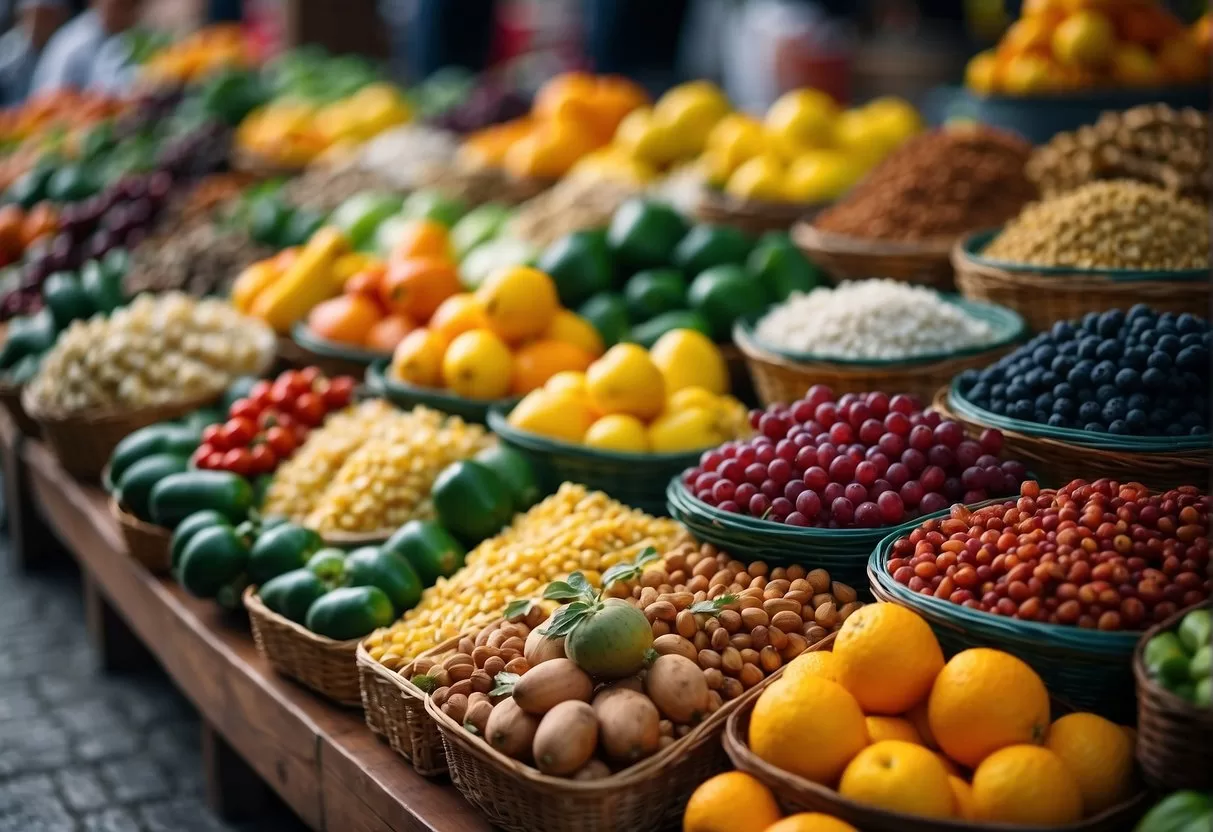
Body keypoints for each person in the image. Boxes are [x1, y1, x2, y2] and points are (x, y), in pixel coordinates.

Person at [29, 0, 144, 95]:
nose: (129, 13)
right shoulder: (78, 44)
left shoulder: (118, 37)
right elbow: (53, 101)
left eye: (132, 5)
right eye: (122, 5)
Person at [0, 0, 70, 105]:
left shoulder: (67, 46)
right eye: (30, 15)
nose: (35, 24)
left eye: (44, 17)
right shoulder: (9, 47)